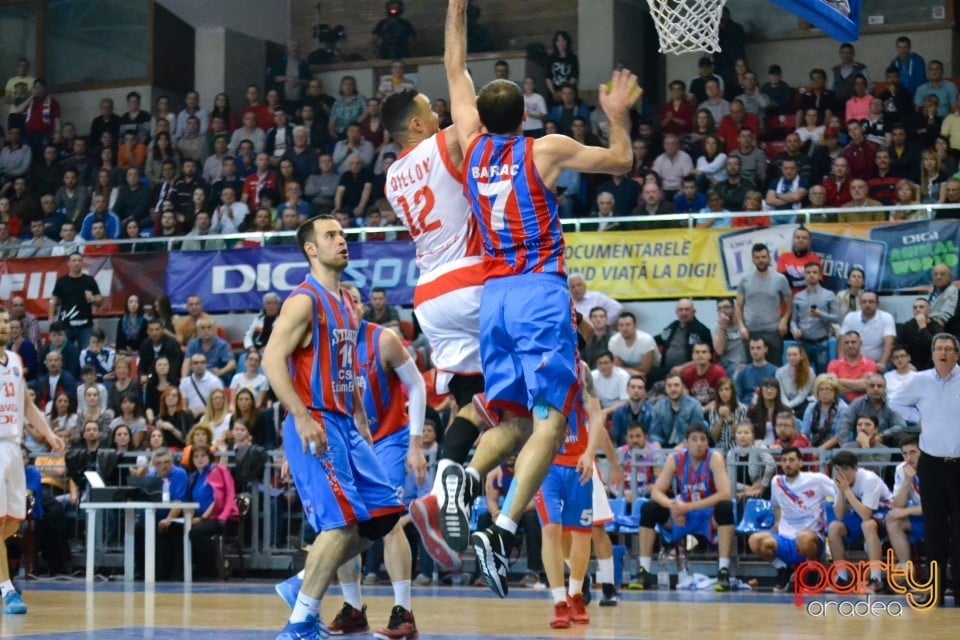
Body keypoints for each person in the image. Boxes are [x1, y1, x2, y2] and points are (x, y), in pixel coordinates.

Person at [439, 0, 637, 599]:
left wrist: (455, 8)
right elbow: (623, 162)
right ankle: (500, 529)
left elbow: (454, 66)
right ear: (524, 115)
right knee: (549, 425)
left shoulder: (469, 145)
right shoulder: (543, 148)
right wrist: (616, 115)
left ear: (480, 113)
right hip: (538, 293)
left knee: (515, 418)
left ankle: (467, 475)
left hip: (492, 298)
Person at [262, 216, 405, 639]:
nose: (341, 241)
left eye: (342, 234)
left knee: (384, 514)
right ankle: (300, 624)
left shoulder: (345, 300)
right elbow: (272, 362)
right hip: (317, 419)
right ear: (311, 249)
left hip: (346, 421)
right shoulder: (303, 301)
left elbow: (344, 366)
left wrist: (360, 410)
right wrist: (302, 417)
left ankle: (302, 582)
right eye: (331, 236)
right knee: (340, 524)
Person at [276, 284, 426, 638]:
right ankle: (353, 607)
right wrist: (294, 447)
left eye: (356, 301)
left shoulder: (383, 339)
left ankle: (403, 611)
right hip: (343, 437)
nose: (351, 307)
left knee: (387, 521)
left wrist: (415, 444)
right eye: (344, 302)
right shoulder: (326, 343)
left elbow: (418, 386)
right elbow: (301, 390)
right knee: (341, 523)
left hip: (388, 437)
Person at [0, 307, 66, 615]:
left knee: (15, 520)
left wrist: (49, 436)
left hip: (14, 447)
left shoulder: (15, 361)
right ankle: (7, 590)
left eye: (5, 322)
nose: (2, 326)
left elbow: (26, 405)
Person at [896, 332, 960, 606]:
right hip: (931, 463)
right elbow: (895, 401)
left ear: (957, 354)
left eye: (949, 348)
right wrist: (918, 417)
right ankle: (934, 591)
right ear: (933, 354)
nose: (943, 353)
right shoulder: (919, 380)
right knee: (934, 530)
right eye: (939, 349)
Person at [633, 424, 734, 590]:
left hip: (708, 515)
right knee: (648, 509)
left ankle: (723, 571)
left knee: (725, 507)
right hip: (683, 515)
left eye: (703, 439)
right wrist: (673, 506)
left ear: (708, 443)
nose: (699, 443)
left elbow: (724, 493)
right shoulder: (676, 459)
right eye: (694, 439)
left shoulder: (714, 458)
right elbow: (656, 492)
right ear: (686, 443)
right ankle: (644, 571)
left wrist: (688, 507)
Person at [748, 447, 836, 591]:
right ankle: (783, 568)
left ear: (800, 463)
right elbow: (776, 505)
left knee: (804, 538)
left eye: (791, 460)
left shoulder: (817, 479)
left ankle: (812, 569)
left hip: (811, 539)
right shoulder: (777, 482)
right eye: (784, 460)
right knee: (755, 540)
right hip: (785, 539)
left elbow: (838, 494)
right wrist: (777, 522)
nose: (787, 463)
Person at [826, 450, 893, 594]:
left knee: (867, 525)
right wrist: (842, 493)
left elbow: (866, 514)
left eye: (845, 469)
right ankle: (843, 577)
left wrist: (847, 492)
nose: (841, 473)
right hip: (861, 512)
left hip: (884, 511)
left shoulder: (869, 479)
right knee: (834, 528)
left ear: (855, 468)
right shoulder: (839, 482)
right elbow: (839, 514)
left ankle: (876, 578)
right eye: (838, 469)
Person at [736, 243, 792, 366]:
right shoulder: (744, 280)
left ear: (769, 258)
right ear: (753, 260)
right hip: (750, 332)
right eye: (757, 257)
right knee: (751, 370)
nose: (760, 260)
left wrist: (784, 320)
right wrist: (741, 326)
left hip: (773, 332)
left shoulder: (780, 279)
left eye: (763, 257)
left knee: (775, 369)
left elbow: (789, 303)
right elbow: (738, 306)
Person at [886, 435, 924, 577]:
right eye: (905, 453)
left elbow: (938, 507)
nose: (909, 458)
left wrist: (906, 511)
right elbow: (898, 504)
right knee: (893, 519)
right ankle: (905, 569)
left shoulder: (934, 469)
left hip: (942, 518)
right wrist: (908, 480)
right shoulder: (901, 469)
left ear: (922, 451)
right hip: (920, 516)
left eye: (913, 452)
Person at [48, 252, 103, 351]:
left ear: (82, 263)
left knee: (86, 354)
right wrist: (50, 319)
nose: (77, 263)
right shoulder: (62, 281)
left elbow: (100, 300)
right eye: (74, 260)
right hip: (65, 326)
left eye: (79, 260)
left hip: (85, 327)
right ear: (68, 263)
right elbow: (53, 300)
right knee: (64, 353)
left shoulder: (89, 280)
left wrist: (93, 299)